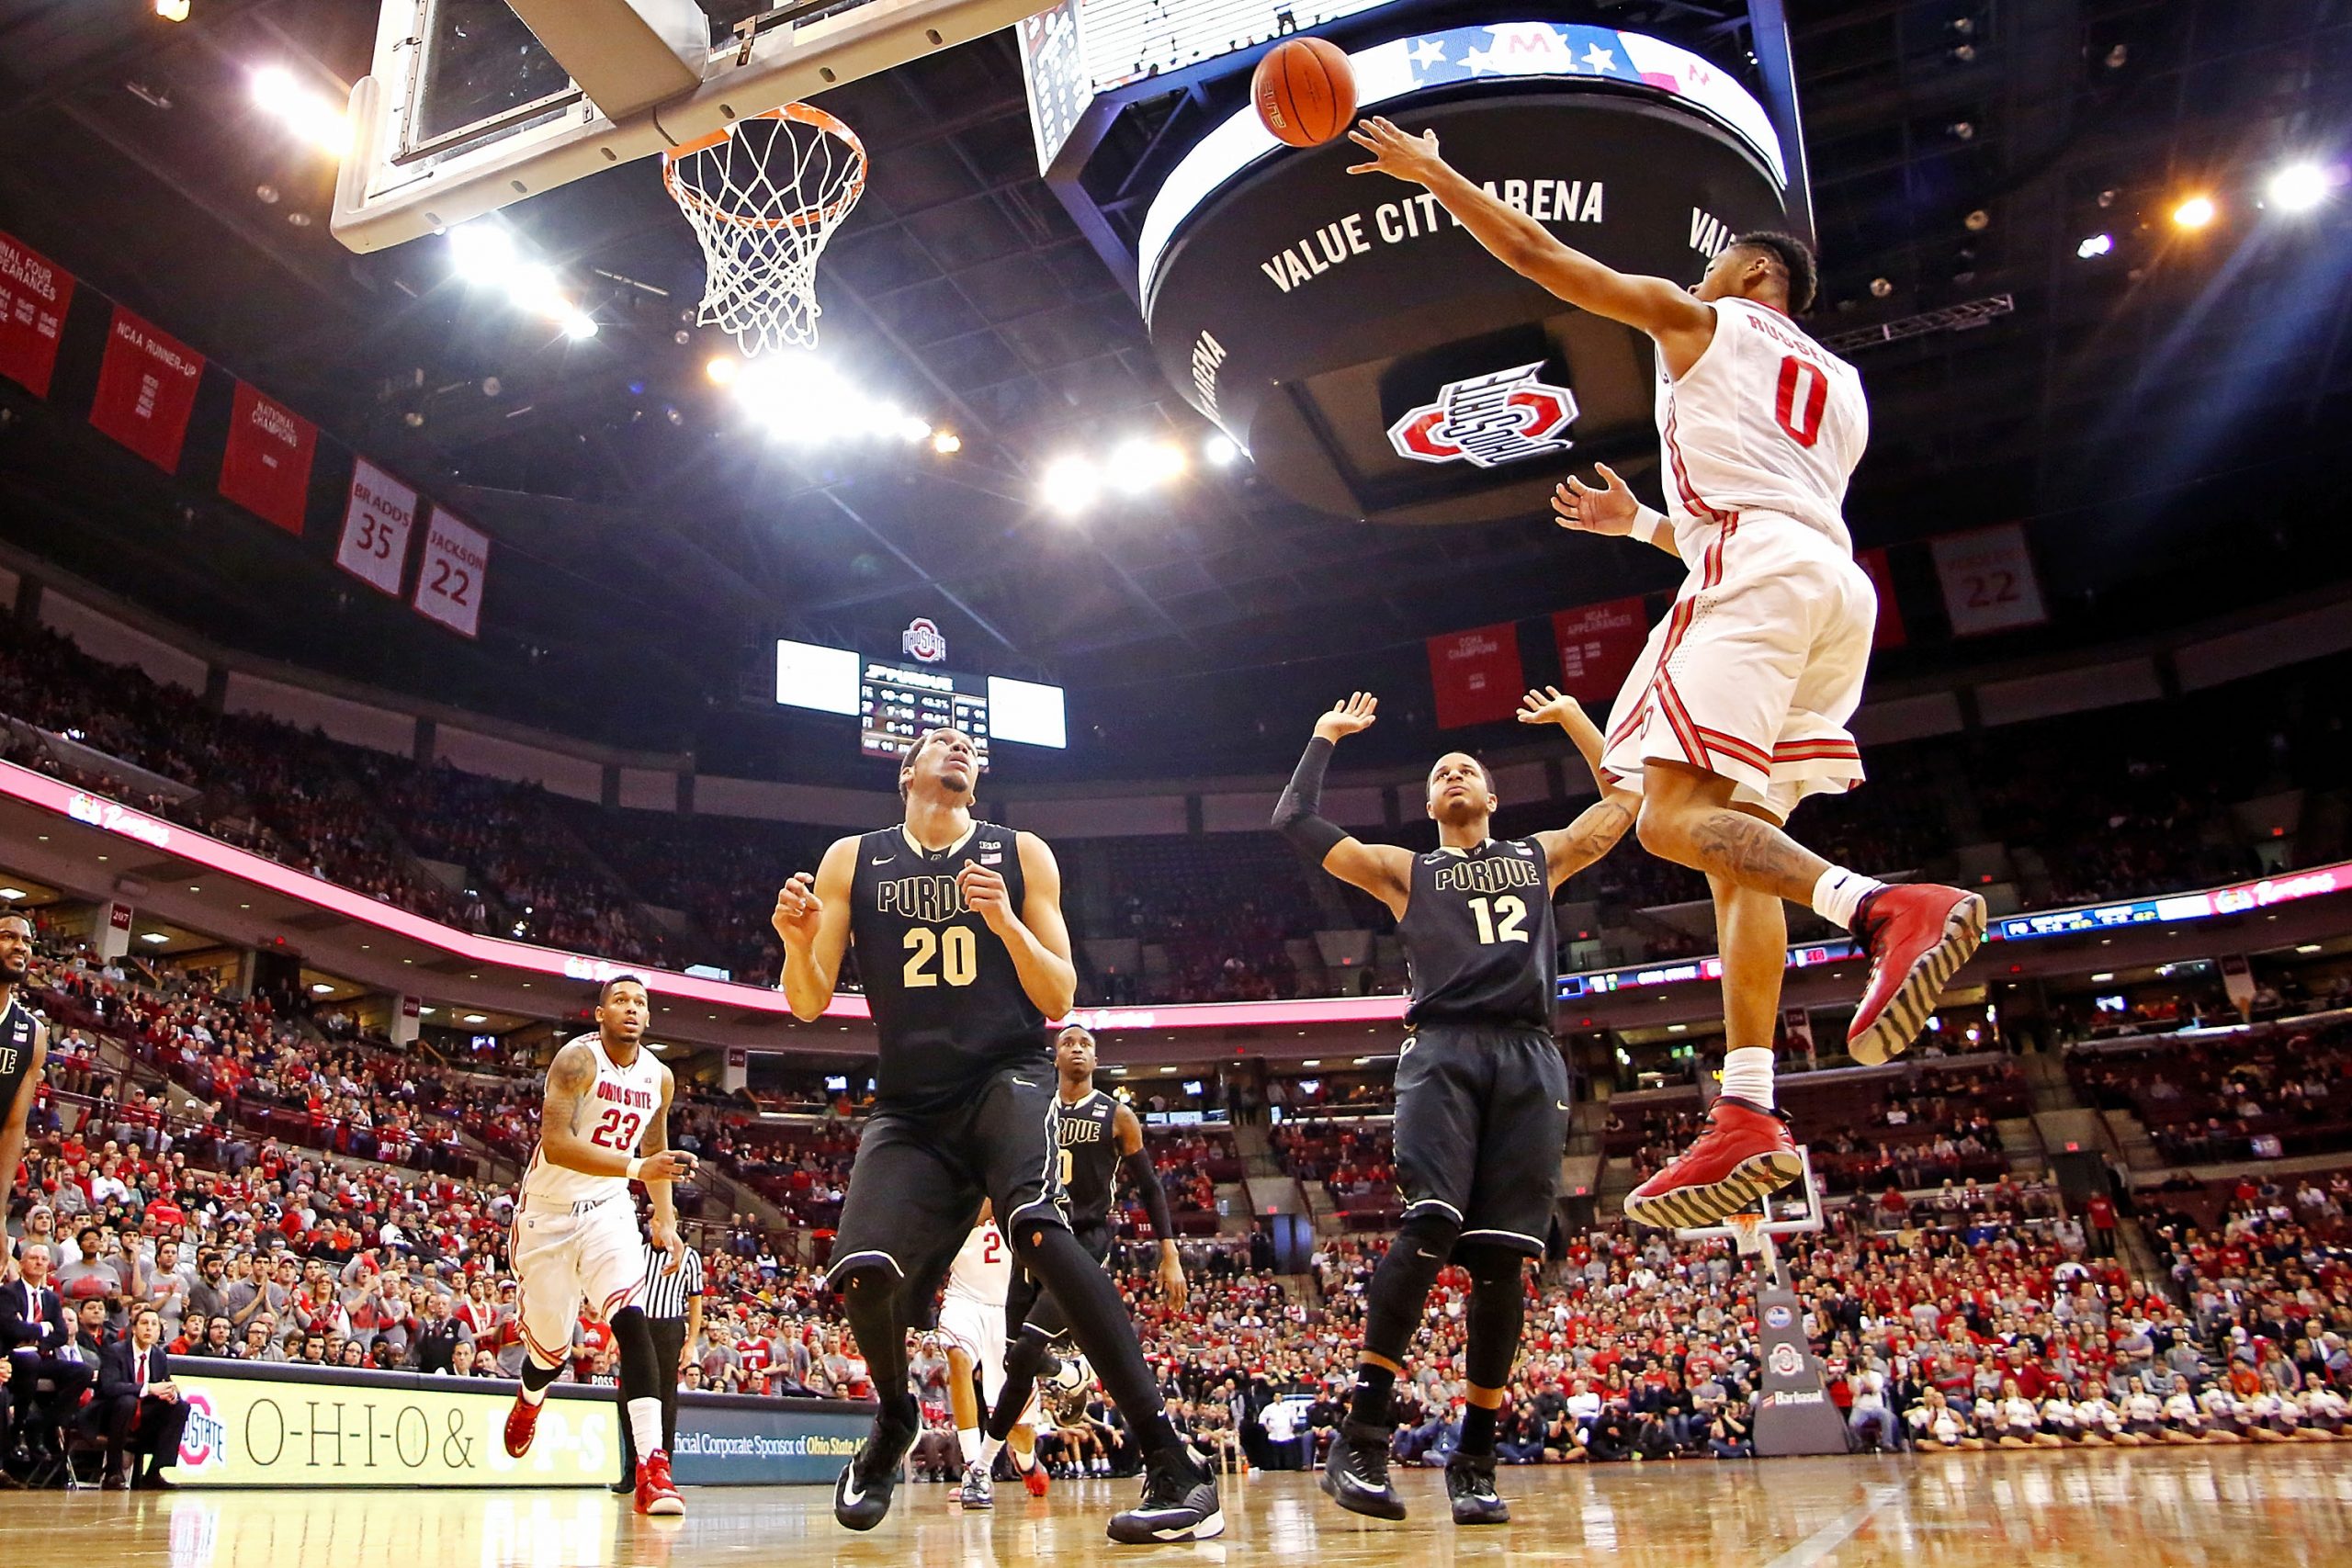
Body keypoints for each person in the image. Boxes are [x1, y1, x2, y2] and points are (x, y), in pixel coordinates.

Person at [1345, 118, 1985, 1228]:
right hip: (1832, 587)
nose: (1699, 275)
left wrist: (1436, 170)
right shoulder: (1841, 385)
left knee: (1665, 818)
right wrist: (1643, 523)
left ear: (1757, 273)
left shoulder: (1706, 318)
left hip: (1750, 575)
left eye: (1718, 261)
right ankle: (1747, 1108)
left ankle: (1884, 905)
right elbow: (1768, 495)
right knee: (1738, 856)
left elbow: (1548, 260)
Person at [771, 725, 1221, 1543]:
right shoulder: (852, 859)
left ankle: (1174, 1461)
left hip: (1006, 1076)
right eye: (941, 741)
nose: (961, 749)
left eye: (970, 747)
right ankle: (895, 1417)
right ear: (906, 771)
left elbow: (1059, 995)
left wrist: (1008, 921)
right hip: (911, 1103)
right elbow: (807, 1000)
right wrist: (795, 943)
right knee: (863, 1273)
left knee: (1039, 1229)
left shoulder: (1022, 852)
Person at [1273, 687, 1629, 1526]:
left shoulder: (1541, 854)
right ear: (1430, 804)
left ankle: (1475, 1459)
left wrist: (1577, 722)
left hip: (1529, 1053)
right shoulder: (1407, 869)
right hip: (1442, 1048)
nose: (1454, 774)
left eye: (1467, 767)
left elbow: (1626, 802)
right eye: (1440, 773)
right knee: (1430, 1221)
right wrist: (1323, 736)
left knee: (1503, 1262)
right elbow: (1295, 819)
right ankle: (1361, 1438)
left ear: (1492, 797)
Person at [499, 975, 697, 1517]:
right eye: (620, 1001)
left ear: (649, 1018)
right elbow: (556, 1145)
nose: (631, 1009)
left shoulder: (659, 1076)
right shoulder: (576, 1062)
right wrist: (637, 1169)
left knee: (632, 1320)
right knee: (550, 1352)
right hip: (548, 1214)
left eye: (640, 1002)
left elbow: (654, 1145)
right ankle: (531, 1397)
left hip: (609, 1209)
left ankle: (653, 1467)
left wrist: (664, 1215)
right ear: (600, 1013)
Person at [977, 1025, 1188, 1491]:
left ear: (1096, 1060)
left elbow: (1150, 1187)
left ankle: (980, 1468)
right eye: (1068, 1043)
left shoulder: (1117, 1115)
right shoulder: (1035, 1111)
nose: (1077, 1049)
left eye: (1086, 1045)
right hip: (1033, 1237)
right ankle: (1062, 1379)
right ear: (1054, 1058)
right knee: (1016, 1362)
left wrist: (1169, 1252)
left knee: (1028, 1348)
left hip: (1084, 1243)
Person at [935, 1201, 1040, 1507]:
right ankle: (974, 1470)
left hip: (1010, 1307)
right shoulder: (953, 1190)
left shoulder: (1016, 1187)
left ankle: (1027, 1461)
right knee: (957, 1357)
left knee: (1020, 1430)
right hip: (964, 1297)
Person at [613, 1238, 702, 1496]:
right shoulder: (638, 1252)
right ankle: (633, 1469)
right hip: (638, 1324)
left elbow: (695, 1302)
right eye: (655, 1222)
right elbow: (624, 1295)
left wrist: (691, 1342)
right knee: (626, 1397)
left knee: (665, 1401)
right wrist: (614, 1334)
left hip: (669, 1328)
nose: (659, 1229)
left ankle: (661, 1471)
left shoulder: (689, 1257)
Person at [1, 1242, 90, 1457]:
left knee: (83, 1371)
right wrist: (42, 1328)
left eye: (43, 1259)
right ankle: (18, 1427)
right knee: (29, 1360)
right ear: (21, 1264)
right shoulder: (7, 1293)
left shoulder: (50, 1298)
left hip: (40, 1355)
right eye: (34, 1258)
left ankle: (41, 1425)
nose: (39, 1262)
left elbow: (61, 1334)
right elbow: (9, 1327)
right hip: (12, 1356)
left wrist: (36, 1341)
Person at [0, 915, 51, 1262]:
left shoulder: (33, 1034)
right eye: (7, 936)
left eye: (27, 941)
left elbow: (13, 1128)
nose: (20, 946)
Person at [96, 1306, 187, 1490]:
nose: (149, 1328)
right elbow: (109, 1387)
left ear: (159, 1332)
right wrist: (149, 1388)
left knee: (180, 1406)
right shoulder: (115, 1351)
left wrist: (171, 1394)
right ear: (134, 1328)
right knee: (127, 1401)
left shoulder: (159, 1356)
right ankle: (113, 1472)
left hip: (143, 1417)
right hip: (111, 1413)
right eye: (144, 1323)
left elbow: (165, 1383)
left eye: (154, 1325)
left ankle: (154, 1472)